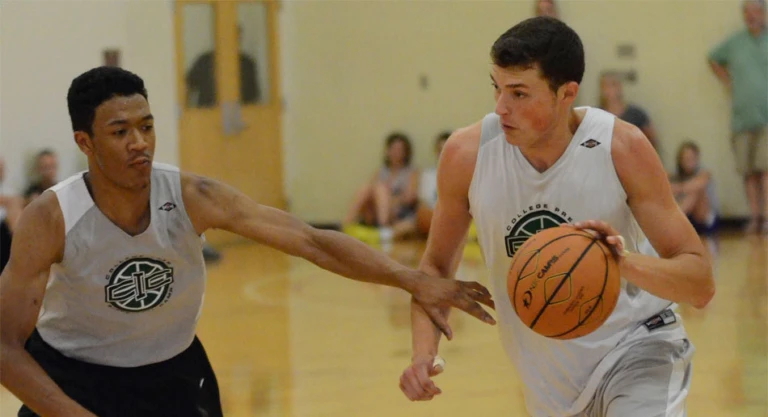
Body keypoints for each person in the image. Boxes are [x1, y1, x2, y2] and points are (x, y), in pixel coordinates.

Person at [0, 66, 496, 417]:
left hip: (172, 378)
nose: (140, 143)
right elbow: (5, 347)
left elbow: (310, 241)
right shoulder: (52, 217)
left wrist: (413, 279)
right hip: (76, 381)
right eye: (120, 131)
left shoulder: (191, 195)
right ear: (84, 142)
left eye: (147, 126)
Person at [399, 17, 715, 417]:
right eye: (496, 87)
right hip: (549, 385)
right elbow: (436, 267)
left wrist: (621, 263)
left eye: (519, 93)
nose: (500, 107)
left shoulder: (621, 147)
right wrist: (423, 354)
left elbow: (700, 281)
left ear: (567, 93)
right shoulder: (467, 154)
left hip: (640, 349)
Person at [708, 0, 768, 233]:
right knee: (748, 171)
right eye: (746, 12)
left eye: (755, 11)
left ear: (763, 13)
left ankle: (766, 219)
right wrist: (727, 80)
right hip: (742, 118)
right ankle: (755, 218)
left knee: (765, 169)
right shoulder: (734, 43)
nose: (751, 15)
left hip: (766, 118)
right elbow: (712, 58)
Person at [598, 71, 659, 151]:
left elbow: (652, 140)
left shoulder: (637, 114)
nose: (610, 89)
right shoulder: (596, 115)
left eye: (613, 84)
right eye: (606, 86)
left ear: (620, 87)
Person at [670, 141, 719, 236]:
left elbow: (695, 185)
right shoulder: (675, 175)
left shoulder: (704, 173)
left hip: (705, 218)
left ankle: (673, 221)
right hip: (688, 218)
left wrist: (678, 188)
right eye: (686, 159)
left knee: (695, 191)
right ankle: (675, 220)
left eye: (692, 158)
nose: (689, 162)